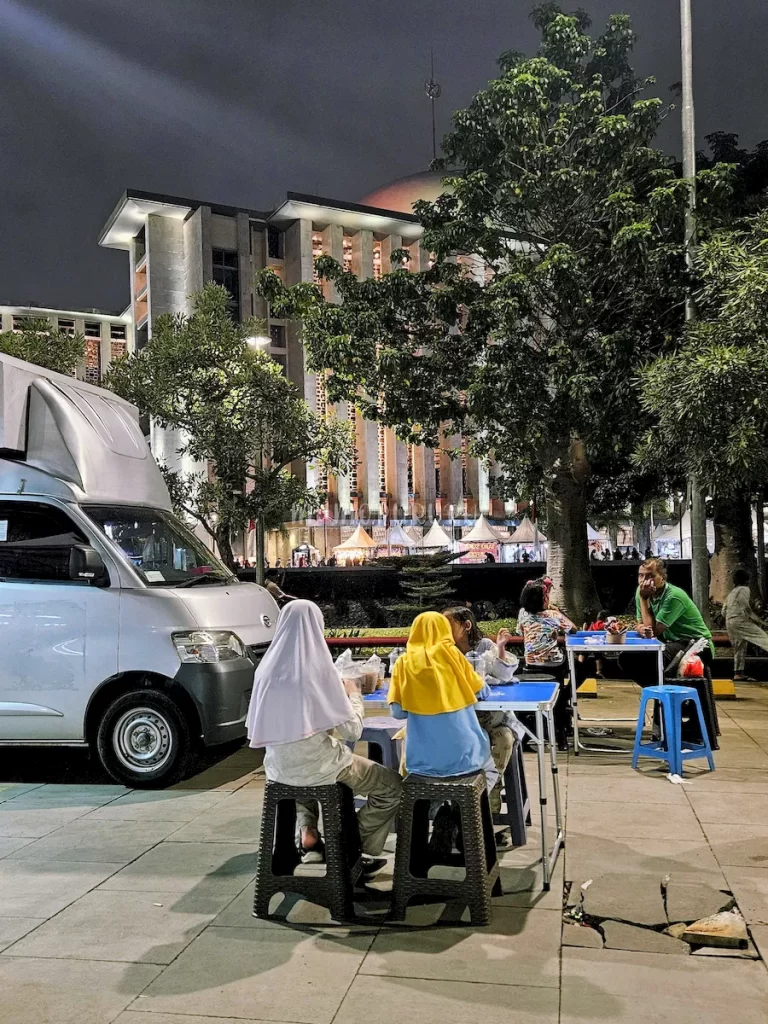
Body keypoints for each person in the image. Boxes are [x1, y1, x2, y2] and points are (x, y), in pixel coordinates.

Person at [246, 600, 401, 870]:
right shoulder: (319, 671)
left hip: (278, 767)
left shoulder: (265, 670)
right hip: (319, 766)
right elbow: (352, 730)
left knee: (303, 770)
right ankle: (350, 846)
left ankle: (309, 834)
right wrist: (353, 695)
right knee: (393, 787)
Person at [388, 612, 499, 855]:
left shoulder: (403, 664)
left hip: (422, 763)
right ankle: (461, 814)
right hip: (466, 758)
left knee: (416, 788)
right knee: (490, 770)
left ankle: (440, 815)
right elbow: (482, 692)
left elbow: (397, 712)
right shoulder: (454, 657)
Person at [442, 606, 523, 847]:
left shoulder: (484, 647)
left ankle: (481, 822)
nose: (443, 630)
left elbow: (503, 676)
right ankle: (455, 819)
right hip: (460, 722)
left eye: (449, 625)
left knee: (502, 740)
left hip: (491, 719)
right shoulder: (443, 652)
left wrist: (500, 648)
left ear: (466, 625)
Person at [620, 557, 714, 687]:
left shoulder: (673, 596)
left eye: (650, 576)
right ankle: (662, 691)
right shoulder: (641, 591)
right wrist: (640, 628)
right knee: (626, 658)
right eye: (641, 576)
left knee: (646, 659)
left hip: (695, 644)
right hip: (670, 643)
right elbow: (640, 623)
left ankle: (665, 691)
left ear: (662, 577)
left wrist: (643, 599)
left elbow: (653, 632)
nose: (644, 581)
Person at [517, 579, 577, 748]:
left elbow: (520, 630)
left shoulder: (523, 613)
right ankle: (561, 734)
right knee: (570, 672)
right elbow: (573, 629)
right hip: (554, 667)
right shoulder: (554, 615)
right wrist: (557, 612)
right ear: (543, 599)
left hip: (530, 666)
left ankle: (527, 733)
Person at [723, 568, 768, 681]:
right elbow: (746, 608)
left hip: (729, 621)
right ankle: (739, 673)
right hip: (739, 621)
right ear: (747, 580)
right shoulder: (744, 589)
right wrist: (760, 621)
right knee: (763, 638)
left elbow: (723, 611)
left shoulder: (731, 593)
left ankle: (738, 673)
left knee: (739, 647)